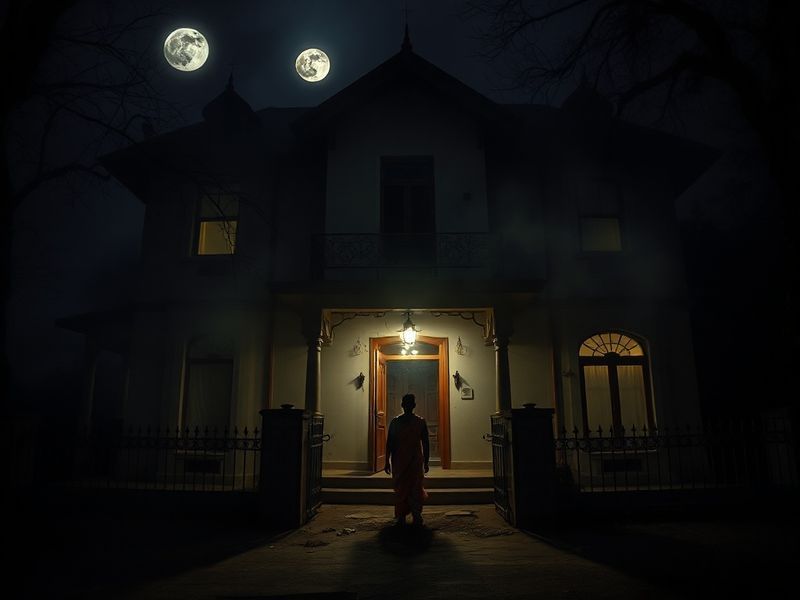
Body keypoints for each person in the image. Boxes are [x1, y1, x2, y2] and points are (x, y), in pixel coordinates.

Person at [384, 393, 430, 526]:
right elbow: (390, 443)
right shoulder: (413, 422)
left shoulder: (400, 422)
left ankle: (409, 515)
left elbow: (425, 443)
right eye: (407, 404)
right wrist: (387, 460)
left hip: (410, 460)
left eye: (409, 404)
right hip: (403, 461)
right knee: (407, 488)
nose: (408, 406)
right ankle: (407, 515)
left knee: (410, 488)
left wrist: (426, 462)